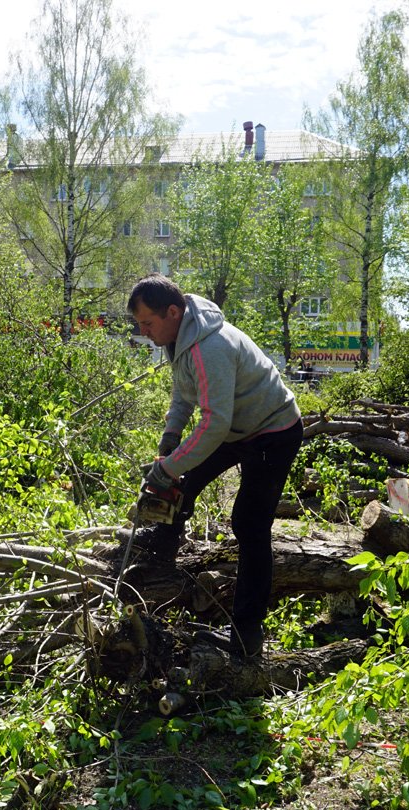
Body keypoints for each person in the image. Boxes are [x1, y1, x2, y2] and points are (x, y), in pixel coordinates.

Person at [126, 275, 303, 658]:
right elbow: (183, 393)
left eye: (148, 324)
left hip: (273, 430)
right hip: (237, 427)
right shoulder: (179, 336)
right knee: (184, 482)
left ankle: (246, 635)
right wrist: (170, 440)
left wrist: (169, 467)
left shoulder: (211, 347)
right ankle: (161, 554)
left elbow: (213, 423)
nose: (143, 332)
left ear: (172, 312)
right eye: (140, 325)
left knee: (249, 525)